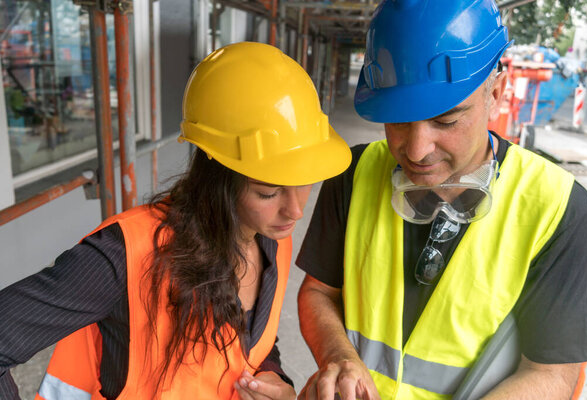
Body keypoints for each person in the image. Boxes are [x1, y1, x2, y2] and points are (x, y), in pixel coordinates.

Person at [0, 41, 351, 400]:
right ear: (219, 180)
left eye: (304, 183)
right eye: (268, 192)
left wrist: (273, 377)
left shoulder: (272, 238)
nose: (295, 211)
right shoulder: (124, 257)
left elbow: (254, 341)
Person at [296, 1, 587, 399]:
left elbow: (551, 374)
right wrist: (340, 356)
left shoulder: (559, 209)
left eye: (446, 120)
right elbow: (319, 292)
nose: (417, 150)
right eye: (399, 118)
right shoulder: (355, 174)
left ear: (496, 92)